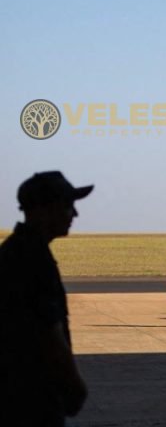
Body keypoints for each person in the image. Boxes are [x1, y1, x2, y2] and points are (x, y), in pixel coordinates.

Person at [0, 171, 91, 426]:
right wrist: (75, 385)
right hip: (30, 398)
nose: (74, 214)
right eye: (67, 205)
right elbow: (47, 331)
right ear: (43, 209)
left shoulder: (19, 251)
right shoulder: (30, 259)